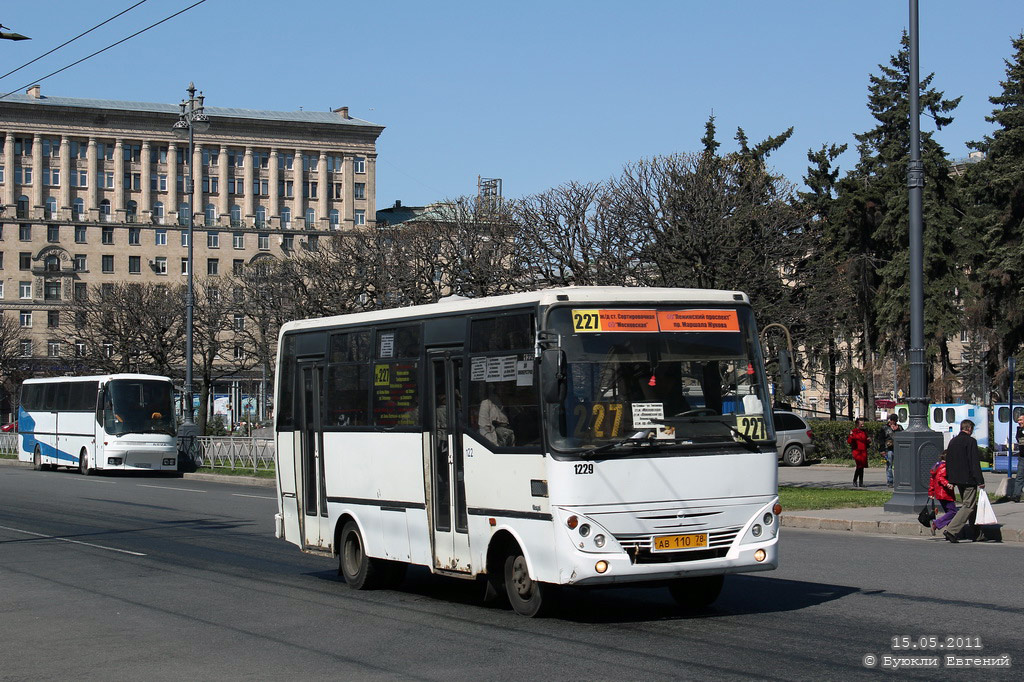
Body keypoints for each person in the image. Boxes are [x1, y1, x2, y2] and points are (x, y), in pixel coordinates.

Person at [942, 419, 985, 543]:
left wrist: (951, 478)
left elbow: (949, 461)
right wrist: (980, 480)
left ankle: (978, 534)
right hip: (969, 479)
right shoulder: (971, 441)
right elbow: (974, 462)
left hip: (956, 479)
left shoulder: (953, 441)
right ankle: (951, 530)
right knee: (968, 505)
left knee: (972, 506)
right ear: (969, 429)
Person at [928, 451, 957, 534]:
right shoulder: (944, 467)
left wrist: (931, 492)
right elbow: (941, 478)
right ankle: (936, 524)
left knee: (948, 512)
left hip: (939, 493)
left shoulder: (937, 466)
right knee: (953, 512)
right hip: (945, 493)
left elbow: (932, 480)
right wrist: (947, 484)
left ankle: (950, 531)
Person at [847, 417, 870, 487]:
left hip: (863, 450)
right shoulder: (853, 431)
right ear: (857, 424)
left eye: (863, 424)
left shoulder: (864, 432)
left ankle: (861, 482)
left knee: (862, 466)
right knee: (859, 466)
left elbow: (865, 440)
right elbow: (849, 441)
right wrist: (851, 435)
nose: (862, 425)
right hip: (857, 451)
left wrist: (868, 440)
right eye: (861, 424)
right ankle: (855, 480)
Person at [882, 414, 902, 487]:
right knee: (889, 466)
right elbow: (881, 439)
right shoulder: (885, 428)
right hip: (888, 449)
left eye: (894, 420)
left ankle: (898, 480)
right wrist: (882, 450)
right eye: (892, 420)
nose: (892, 422)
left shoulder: (899, 427)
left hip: (898, 449)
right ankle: (890, 481)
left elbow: (903, 437)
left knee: (898, 466)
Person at [1011, 413, 1024, 503]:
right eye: (1018, 420)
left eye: (1021, 420)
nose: (1019, 422)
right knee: (1019, 476)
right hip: (1022, 457)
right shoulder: (1019, 430)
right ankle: (1016, 495)